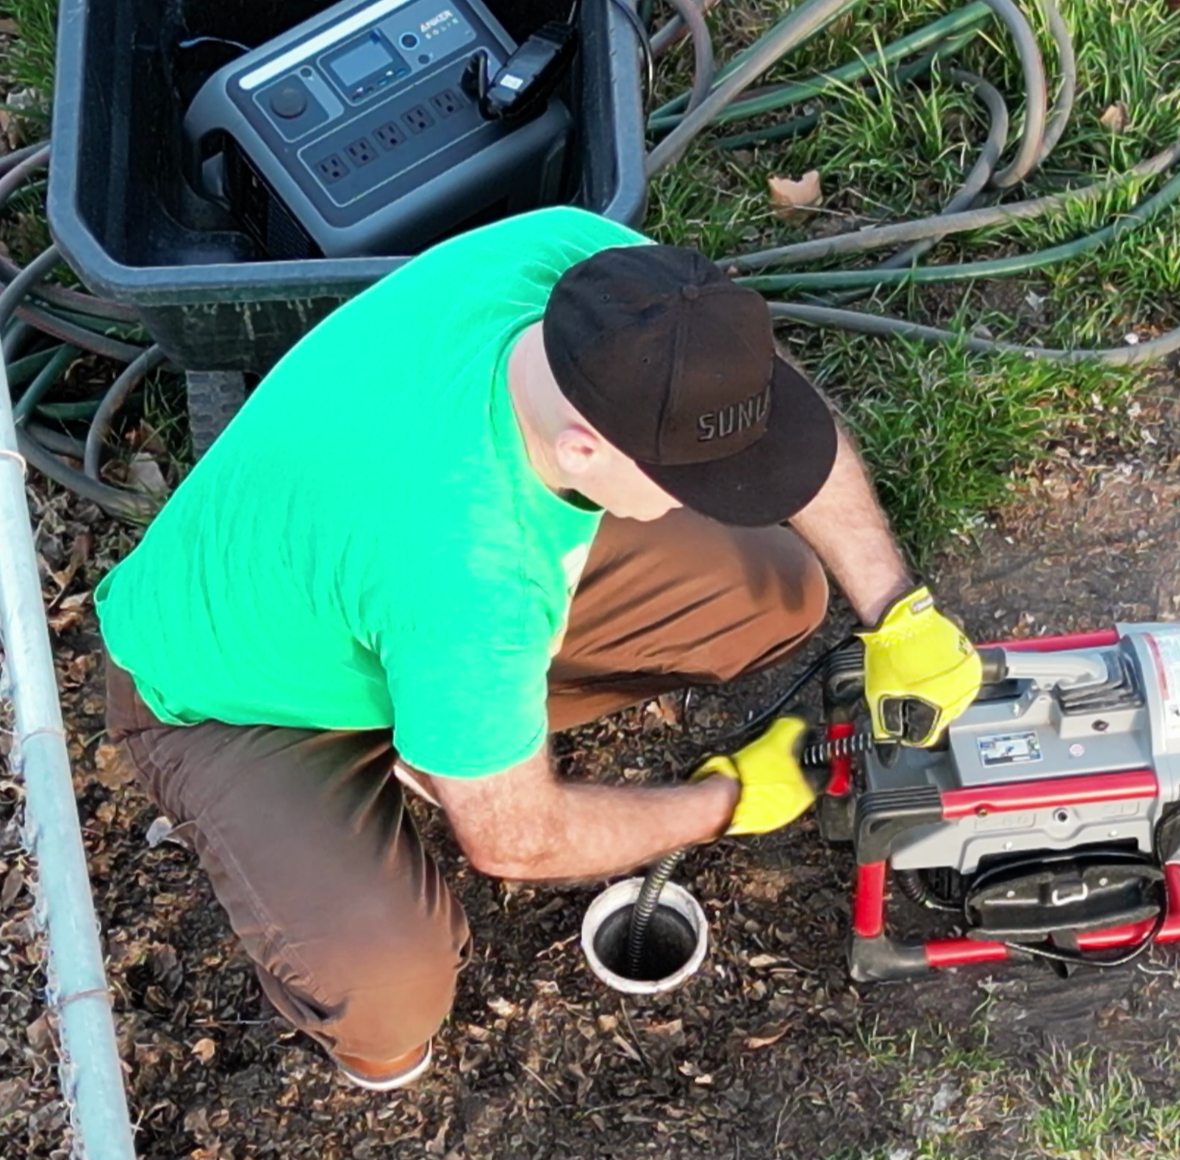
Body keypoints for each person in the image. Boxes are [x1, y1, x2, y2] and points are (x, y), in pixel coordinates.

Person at [93, 206, 984, 1091]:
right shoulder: (471, 573)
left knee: (773, 594)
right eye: (683, 483)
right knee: (387, 987)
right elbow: (515, 844)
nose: (699, 500)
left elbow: (749, 384)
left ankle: (458, 739)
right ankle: (444, 768)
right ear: (583, 446)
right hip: (230, 696)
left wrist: (895, 609)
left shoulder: (589, 275)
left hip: (369, 592)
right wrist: (726, 799)